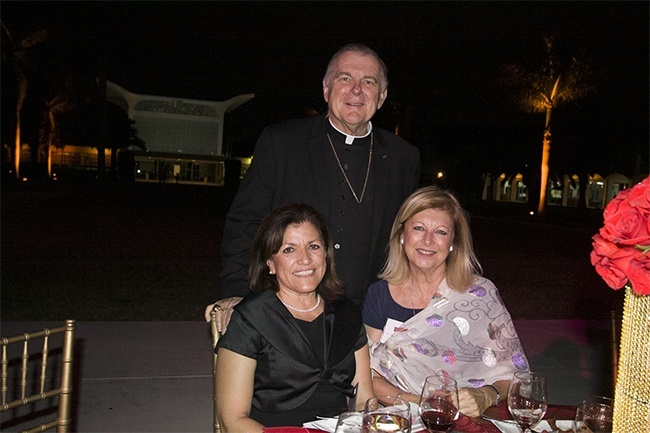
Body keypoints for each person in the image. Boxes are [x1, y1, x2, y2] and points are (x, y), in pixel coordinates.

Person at [205, 43, 421, 330]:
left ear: (381, 97)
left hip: (366, 318)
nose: (356, 90)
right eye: (345, 78)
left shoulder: (403, 158)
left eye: (368, 82)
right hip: (286, 310)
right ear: (326, 89)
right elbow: (245, 222)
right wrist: (235, 289)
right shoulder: (281, 142)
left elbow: (411, 238)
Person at [362, 186, 529, 417]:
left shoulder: (479, 296)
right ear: (402, 235)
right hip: (398, 415)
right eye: (418, 228)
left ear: (453, 241)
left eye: (440, 232)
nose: (428, 240)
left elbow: (514, 374)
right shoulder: (378, 295)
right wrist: (421, 404)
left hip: (466, 418)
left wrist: (486, 395)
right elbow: (368, 373)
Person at [214, 203, 374, 431]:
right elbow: (232, 420)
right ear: (270, 263)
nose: (306, 259)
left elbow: (364, 400)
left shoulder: (347, 313)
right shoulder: (251, 319)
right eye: (289, 249)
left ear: (326, 255)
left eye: (314, 246)